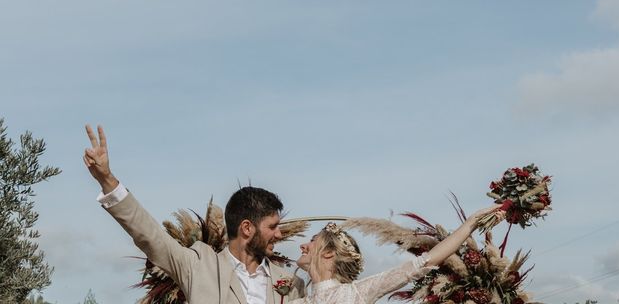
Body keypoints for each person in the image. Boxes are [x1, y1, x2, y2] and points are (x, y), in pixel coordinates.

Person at [83, 125, 303, 304]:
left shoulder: (292, 284)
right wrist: (107, 181)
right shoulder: (199, 266)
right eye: (272, 226)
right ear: (247, 228)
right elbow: (151, 237)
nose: (279, 234)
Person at [292, 208, 503, 304]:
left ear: (328, 253)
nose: (303, 245)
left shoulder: (354, 294)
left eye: (312, 240)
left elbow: (425, 261)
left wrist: (470, 224)